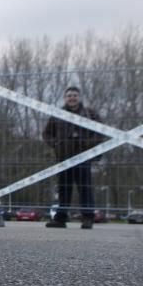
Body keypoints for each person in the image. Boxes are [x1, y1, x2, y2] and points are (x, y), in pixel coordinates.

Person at [42, 86, 104, 229]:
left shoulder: (90, 114)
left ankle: (88, 218)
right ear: (65, 98)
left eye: (75, 95)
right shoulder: (57, 114)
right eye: (69, 95)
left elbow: (100, 132)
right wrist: (56, 144)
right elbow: (46, 134)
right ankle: (60, 219)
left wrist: (87, 144)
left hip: (83, 158)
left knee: (85, 189)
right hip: (64, 158)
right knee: (64, 189)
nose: (72, 98)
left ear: (79, 97)